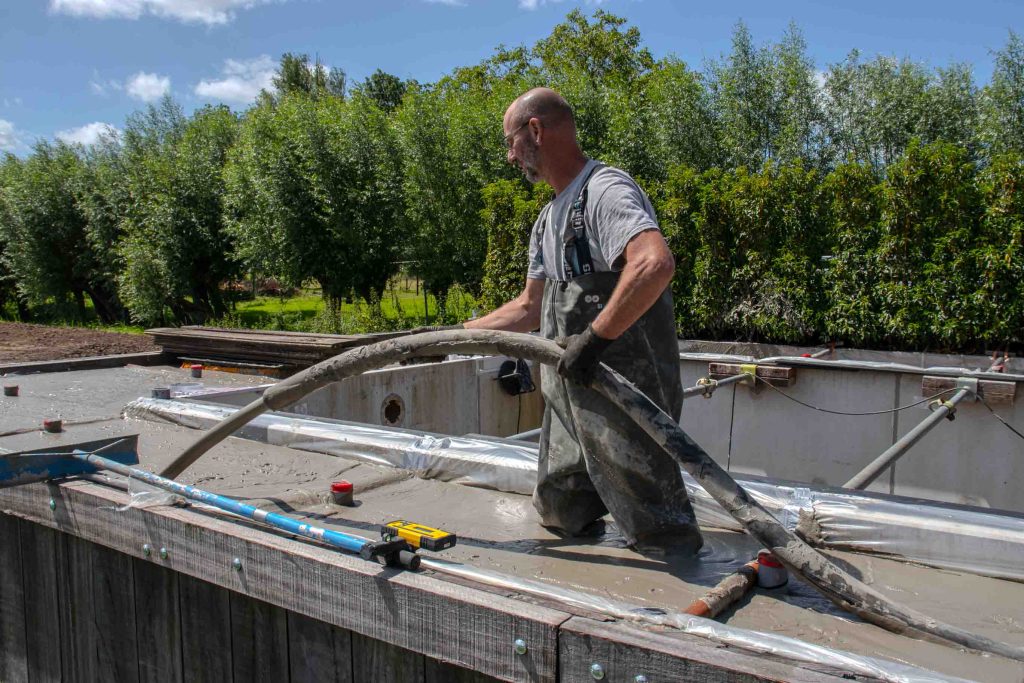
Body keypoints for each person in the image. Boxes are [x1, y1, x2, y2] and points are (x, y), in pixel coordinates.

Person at [452, 87, 703, 555]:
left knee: (657, 526)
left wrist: (594, 339)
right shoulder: (548, 219)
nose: (510, 157)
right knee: (558, 507)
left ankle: (665, 606)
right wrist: (459, 333)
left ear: (535, 130)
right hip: (568, 400)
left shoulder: (604, 191)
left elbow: (653, 264)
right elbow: (530, 307)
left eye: (510, 142)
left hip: (622, 396)